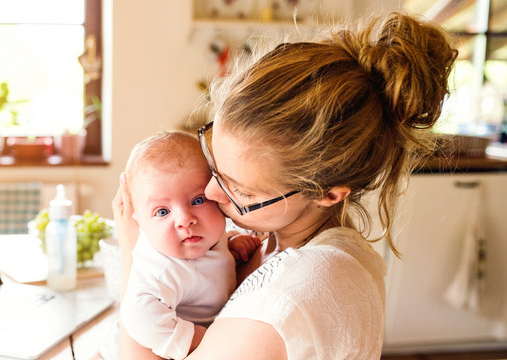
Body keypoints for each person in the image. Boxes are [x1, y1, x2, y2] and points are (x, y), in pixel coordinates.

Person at [112, 12, 457, 359]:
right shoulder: (280, 240)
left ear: (327, 194)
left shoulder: (288, 300)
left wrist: (136, 250)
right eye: (215, 166)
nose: (213, 194)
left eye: (243, 191)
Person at [113, 130, 260, 360]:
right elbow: (137, 316)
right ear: (137, 220)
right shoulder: (160, 268)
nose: (185, 219)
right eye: (162, 211)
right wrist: (196, 339)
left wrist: (230, 242)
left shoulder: (201, 237)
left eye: (198, 200)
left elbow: (211, 252)